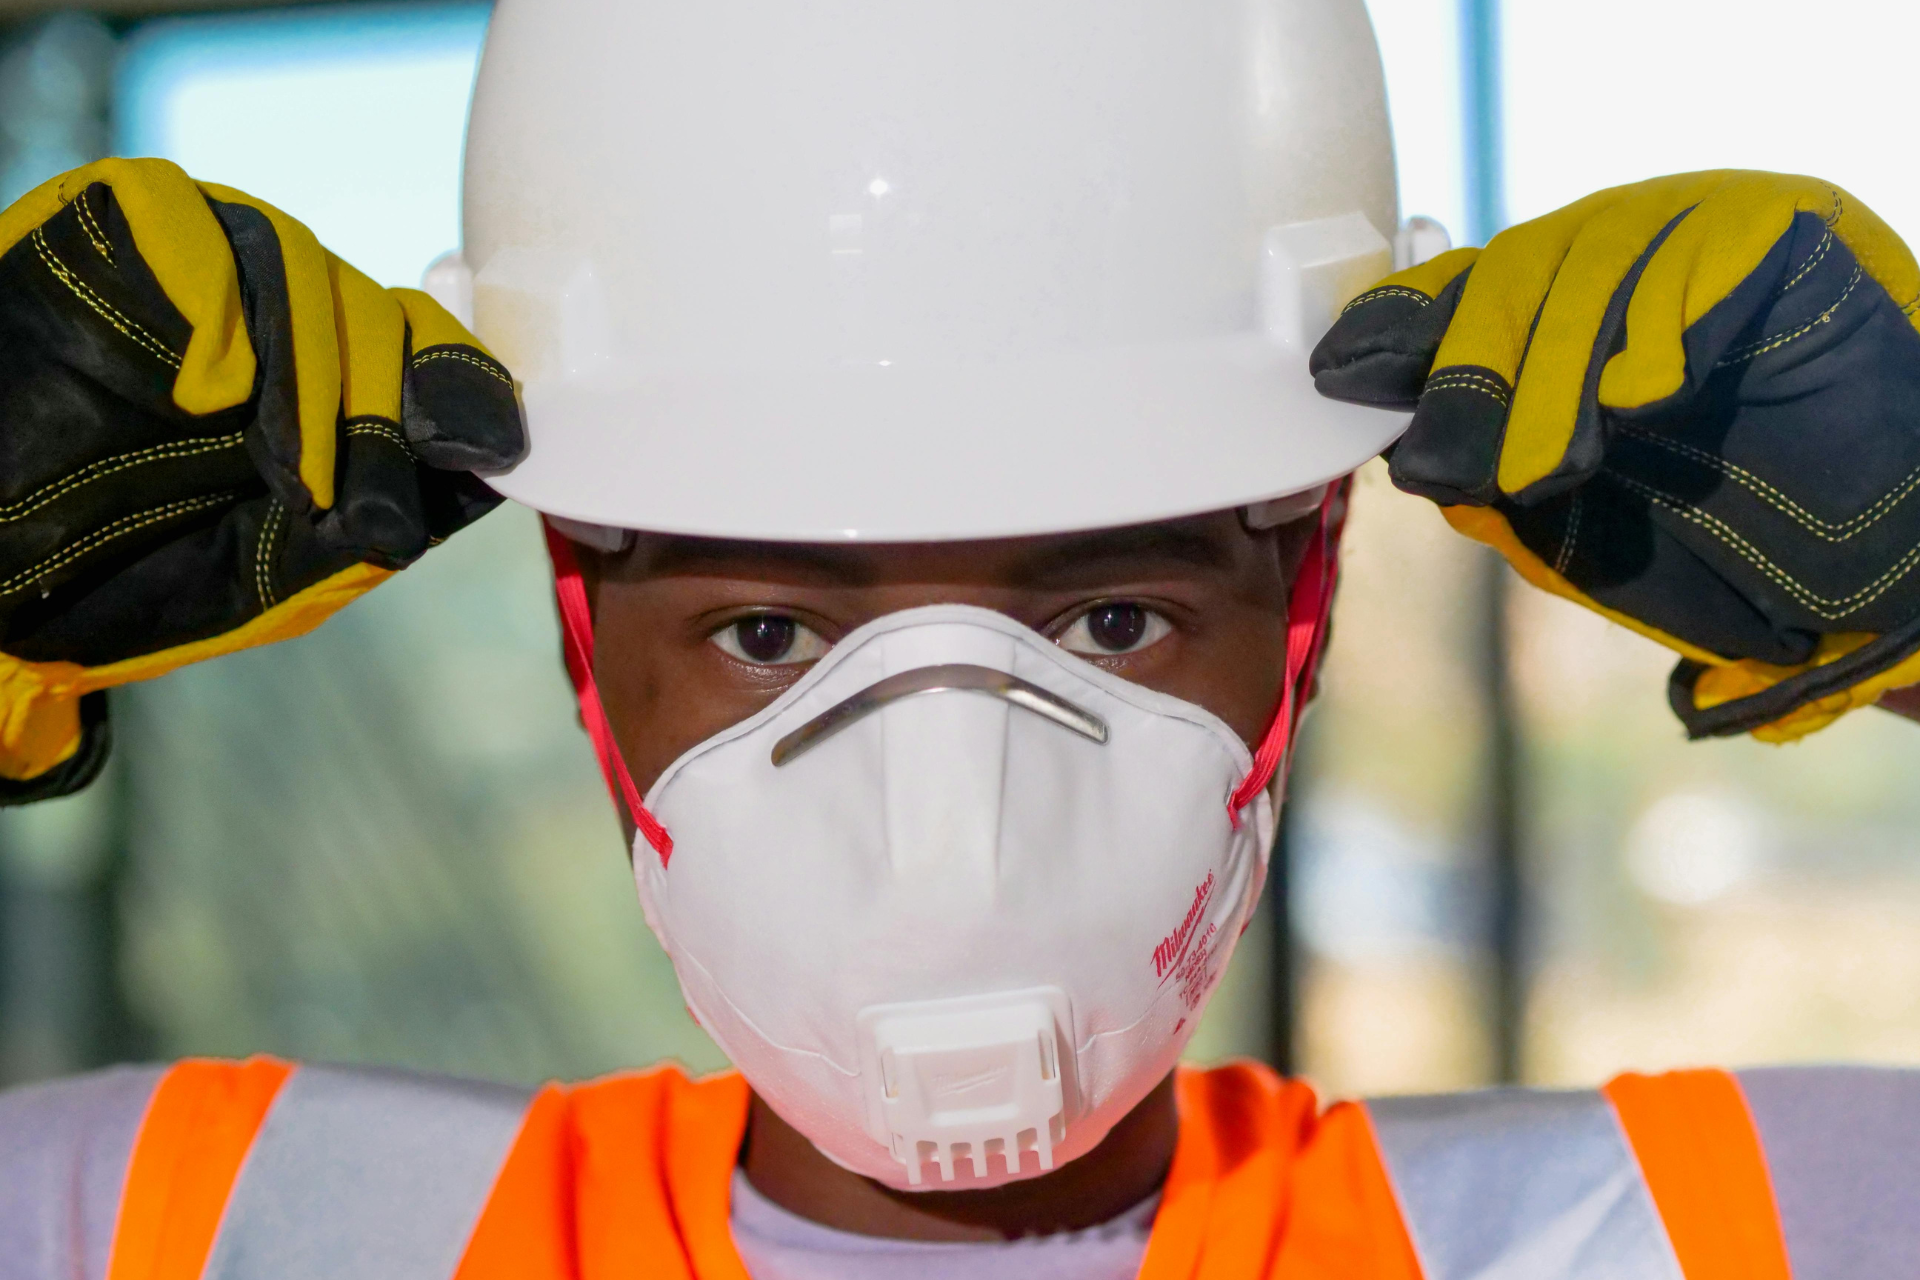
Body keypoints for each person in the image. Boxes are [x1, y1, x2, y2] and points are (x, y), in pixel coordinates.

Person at [3, 1, 1920, 1276]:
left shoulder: (1709, 1233)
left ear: (1303, 622)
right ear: (587, 649)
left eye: (1111, 616)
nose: (953, 809)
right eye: (769, 628)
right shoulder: (184, 1223)